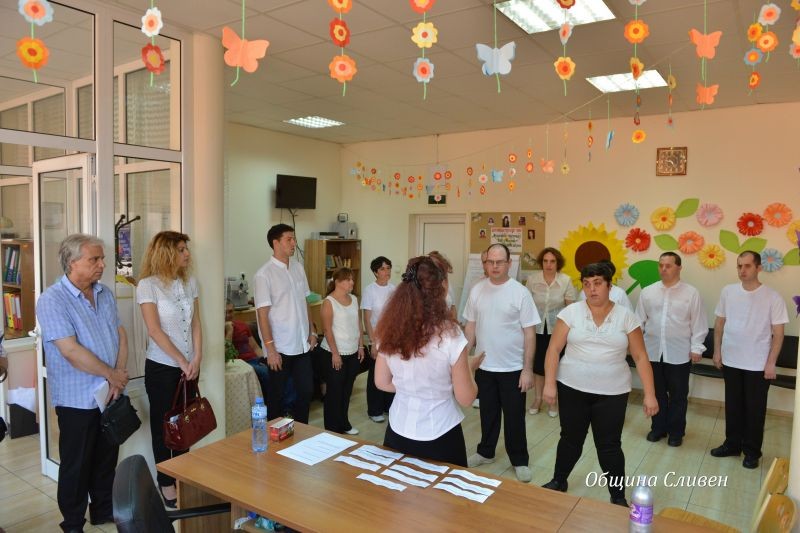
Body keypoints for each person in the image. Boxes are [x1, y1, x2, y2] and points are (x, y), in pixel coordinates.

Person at [540, 262, 658, 507]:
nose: (591, 289)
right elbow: (554, 349)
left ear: (609, 286)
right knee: (570, 439)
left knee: (609, 446)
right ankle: (559, 480)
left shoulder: (626, 317)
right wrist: (549, 383)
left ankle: (617, 496)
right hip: (572, 388)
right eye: (586, 284)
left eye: (597, 283)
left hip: (612, 392)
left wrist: (650, 394)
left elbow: (640, 357)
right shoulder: (571, 313)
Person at [36, 234, 129, 531]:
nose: (102, 264)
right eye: (94, 259)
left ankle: (102, 510)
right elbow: (70, 351)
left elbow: (120, 334)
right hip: (77, 398)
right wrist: (111, 374)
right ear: (72, 262)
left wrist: (118, 374)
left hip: (110, 392)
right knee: (76, 464)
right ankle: (73, 522)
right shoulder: (52, 300)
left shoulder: (105, 293)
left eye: (102, 258)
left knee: (106, 458)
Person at [374, 256, 483, 466]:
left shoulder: (390, 329)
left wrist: (412, 387)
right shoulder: (450, 334)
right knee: (443, 488)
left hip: (398, 430)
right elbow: (466, 398)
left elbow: (382, 382)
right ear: (441, 287)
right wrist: (470, 368)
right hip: (440, 434)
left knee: (399, 485)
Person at [464, 243, 539, 483]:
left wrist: (527, 369)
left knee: (515, 417)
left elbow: (530, 334)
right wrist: (465, 359)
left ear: (509, 263)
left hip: (513, 368)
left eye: (499, 262)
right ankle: (485, 452)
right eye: (490, 262)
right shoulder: (477, 290)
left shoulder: (520, 292)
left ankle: (519, 460)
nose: (494, 266)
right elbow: (470, 327)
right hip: (484, 366)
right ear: (485, 263)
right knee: (487, 413)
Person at [137, 230, 202, 509]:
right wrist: (181, 361)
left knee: (185, 425)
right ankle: (165, 482)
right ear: (166, 253)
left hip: (189, 367)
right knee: (164, 429)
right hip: (162, 369)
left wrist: (197, 357)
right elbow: (154, 330)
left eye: (186, 249)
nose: (187, 254)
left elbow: (196, 323)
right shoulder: (147, 286)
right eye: (181, 250)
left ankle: (182, 476)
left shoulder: (190, 283)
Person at [710, 251, 788, 469]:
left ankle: (752, 452)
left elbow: (778, 334)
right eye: (739, 266)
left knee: (754, 410)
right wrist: (717, 351)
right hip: (731, 360)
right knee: (733, 406)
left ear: (758, 268)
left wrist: (771, 363)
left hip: (757, 363)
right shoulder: (728, 291)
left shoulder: (773, 297)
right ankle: (732, 445)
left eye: (747, 266)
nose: (742, 270)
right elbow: (719, 324)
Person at [635, 252, 708, 447]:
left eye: (668, 265)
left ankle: (676, 432)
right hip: (652, 352)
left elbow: (699, 322)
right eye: (661, 265)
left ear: (679, 267)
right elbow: (639, 321)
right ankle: (658, 428)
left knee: (678, 395)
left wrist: (697, 347)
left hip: (679, 353)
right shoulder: (648, 292)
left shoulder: (691, 293)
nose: (663, 269)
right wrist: (636, 347)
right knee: (656, 393)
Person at [254, 223, 317, 424]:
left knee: (306, 391)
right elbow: (262, 315)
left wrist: (312, 331)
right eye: (289, 239)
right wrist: (270, 350)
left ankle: (302, 431)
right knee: (277, 396)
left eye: (294, 238)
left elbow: (305, 302)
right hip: (279, 347)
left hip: (302, 343)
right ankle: (274, 436)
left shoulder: (298, 268)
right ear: (276, 243)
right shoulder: (264, 274)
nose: (293, 243)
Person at [525, 247, 577, 417]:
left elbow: (571, 309)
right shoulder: (532, 280)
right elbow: (526, 306)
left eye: (552, 261)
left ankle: (552, 400)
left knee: (555, 364)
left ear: (557, 263)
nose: (548, 265)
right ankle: (538, 398)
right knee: (539, 364)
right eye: (545, 261)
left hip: (558, 329)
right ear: (541, 262)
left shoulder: (565, 280)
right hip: (537, 328)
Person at [320, 268, 364, 435]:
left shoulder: (354, 299)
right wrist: (335, 354)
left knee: (347, 391)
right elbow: (327, 330)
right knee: (334, 392)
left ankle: (344, 424)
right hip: (334, 354)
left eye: (352, 279)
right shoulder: (328, 302)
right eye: (348, 279)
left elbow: (358, 324)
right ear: (337, 281)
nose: (352, 282)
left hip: (352, 352)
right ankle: (332, 430)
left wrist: (361, 346)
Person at [361, 256, 396, 423]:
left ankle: (388, 407)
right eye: (382, 269)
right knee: (376, 373)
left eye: (388, 268)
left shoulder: (394, 289)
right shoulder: (370, 290)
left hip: (392, 338)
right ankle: (374, 410)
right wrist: (373, 342)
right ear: (375, 272)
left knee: (392, 373)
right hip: (377, 338)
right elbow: (367, 319)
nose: (386, 271)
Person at [225, 300, 268, 398]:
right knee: (265, 372)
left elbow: (255, 347)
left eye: (230, 311)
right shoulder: (219, 330)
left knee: (278, 368)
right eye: (225, 312)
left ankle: (286, 405)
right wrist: (229, 331)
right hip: (240, 364)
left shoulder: (242, 325)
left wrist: (265, 359)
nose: (228, 315)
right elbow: (226, 354)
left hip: (255, 360)